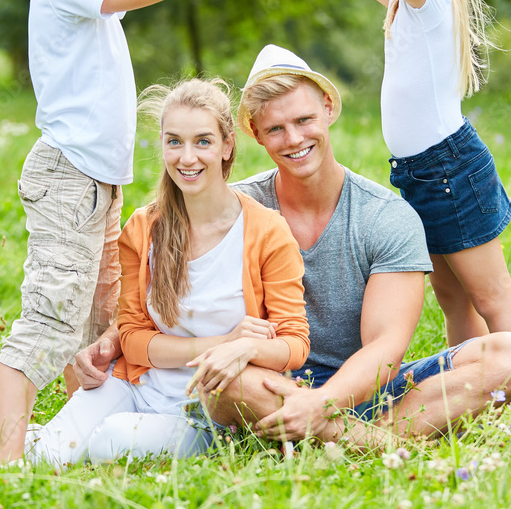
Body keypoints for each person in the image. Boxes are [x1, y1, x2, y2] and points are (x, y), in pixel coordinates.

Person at [74, 47, 511, 449]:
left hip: (367, 388)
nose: (294, 139)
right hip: (264, 385)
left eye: (304, 120)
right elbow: (164, 294)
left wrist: (320, 405)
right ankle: (382, 443)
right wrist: (115, 339)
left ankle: (341, 435)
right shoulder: (236, 208)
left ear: (329, 108)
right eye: (276, 129)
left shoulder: (386, 218)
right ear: (255, 134)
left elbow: (387, 346)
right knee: (223, 383)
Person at [0, 0, 280, 464]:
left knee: (99, 326)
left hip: (95, 181)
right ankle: (7, 468)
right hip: (69, 177)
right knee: (50, 320)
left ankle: (68, 440)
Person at [260, 0, 511, 400]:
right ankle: (484, 394)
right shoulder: (401, 0)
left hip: (449, 169)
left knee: (491, 295)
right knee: (452, 295)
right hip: (419, 173)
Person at [26, 78, 309, 466]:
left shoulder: (266, 231)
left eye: (203, 141)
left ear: (227, 146)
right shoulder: (144, 228)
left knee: (109, 442)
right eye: (174, 141)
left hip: (208, 412)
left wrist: (249, 348)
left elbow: (294, 345)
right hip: (138, 384)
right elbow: (135, 338)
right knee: (45, 458)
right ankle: (42, 440)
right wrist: (224, 342)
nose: (187, 157)